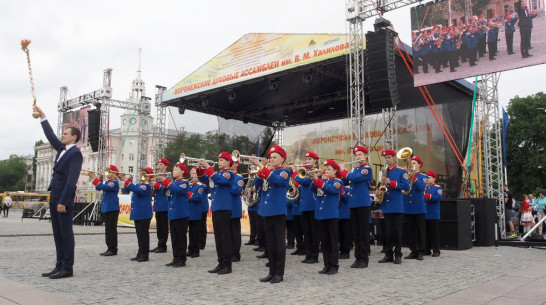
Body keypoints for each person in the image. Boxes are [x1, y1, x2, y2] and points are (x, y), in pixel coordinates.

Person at [35, 105, 82, 279]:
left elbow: (72, 179)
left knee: (66, 233)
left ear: (74, 137)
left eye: (66, 133)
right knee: (57, 233)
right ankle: (59, 264)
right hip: (54, 196)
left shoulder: (75, 153)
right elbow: (50, 136)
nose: (62, 135)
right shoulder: (62, 150)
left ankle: (67, 267)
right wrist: (43, 116)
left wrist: (63, 201)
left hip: (63, 199)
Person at [251, 145, 290, 284]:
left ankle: (279, 273)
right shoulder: (268, 171)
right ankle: (271, 271)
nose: (271, 159)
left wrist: (262, 167)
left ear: (282, 159)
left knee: (279, 244)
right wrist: (260, 170)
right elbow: (256, 184)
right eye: (271, 157)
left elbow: (278, 181)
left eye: (275, 157)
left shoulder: (284, 172)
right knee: (270, 244)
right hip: (266, 210)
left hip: (278, 210)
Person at [199, 152, 235, 275]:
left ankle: (227, 264)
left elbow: (219, 180)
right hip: (216, 207)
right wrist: (200, 170)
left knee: (225, 237)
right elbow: (205, 179)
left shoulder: (228, 173)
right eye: (219, 160)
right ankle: (221, 262)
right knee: (218, 238)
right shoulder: (217, 174)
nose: (219, 162)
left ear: (228, 162)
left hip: (224, 208)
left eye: (222, 160)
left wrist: (208, 167)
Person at [339, 146, 372, 269]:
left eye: (360, 154)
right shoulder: (355, 169)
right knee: (356, 233)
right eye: (356, 155)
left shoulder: (366, 169)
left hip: (363, 204)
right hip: (353, 204)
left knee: (363, 233)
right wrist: (335, 172)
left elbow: (355, 178)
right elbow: (346, 181)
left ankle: (364, 259)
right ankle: (357, 258)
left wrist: (344, 171)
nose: (358, 157)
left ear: (366, 156)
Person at [377, 149, 410, 265]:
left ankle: (398, 254)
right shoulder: (383, 171)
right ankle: (388, 254)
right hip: (386, 205)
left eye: (389, 157)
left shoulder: (401, 172)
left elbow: (406, 186)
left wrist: (390, 183)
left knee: (397, 232)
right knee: (388, 232)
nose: (387, 159)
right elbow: (379, 185)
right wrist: (377, 191)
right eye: (386, 158)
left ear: (394, 158)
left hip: (396, 205)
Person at [312, 159, 342, 275]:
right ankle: (326, 264)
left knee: (332, 241)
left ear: (335, 171)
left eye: (329, 169)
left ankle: (334, 265)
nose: (326, 171)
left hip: (331, 215)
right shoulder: (323, 181)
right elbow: (312, 189)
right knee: (324, 242)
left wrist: (318, 181)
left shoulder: (337, 182)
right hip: (321, 214)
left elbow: (331, 189)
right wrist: (314, 179)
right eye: (326, 169)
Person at [157, 162, 190, 268]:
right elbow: (163, 192)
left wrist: (167, 181)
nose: (174, 170)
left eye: (176, 169)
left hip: (181, 213)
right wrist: (164, 182)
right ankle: (175, 258)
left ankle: (181, 259)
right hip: (173, 213)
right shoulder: (173, 182)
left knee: (181, 238)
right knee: (174, 238)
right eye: (174, 169)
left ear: (182, 172)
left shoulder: (184, 182)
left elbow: (178, 190)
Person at [120, 168, 153, 262]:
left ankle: (144, 254)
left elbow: (138, 191)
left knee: (143, 235)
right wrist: (127, 180)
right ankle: (140, 252)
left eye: (143, 174)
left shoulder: (146, 185)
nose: (140, 175)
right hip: (138, 213)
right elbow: (125, 190)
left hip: (143, 213)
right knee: (139, 235)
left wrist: (127, 181)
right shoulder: (139, 185)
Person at [294, 151, 321, 264]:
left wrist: (297, 172)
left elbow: (304, 181)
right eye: (307, 159)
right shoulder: (305, 171)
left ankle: (314, 256)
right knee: (307, 232)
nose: (308, 161)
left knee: (314, 232)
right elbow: (298, 180)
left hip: (313, 205)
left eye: (310, 159)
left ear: (315, 160)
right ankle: (308, 254)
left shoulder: (317, 171)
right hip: (304, 205)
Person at [89, 165, 120, 256]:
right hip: (107, 208)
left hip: (112, 208)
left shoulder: (114, 182)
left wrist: (95, 178)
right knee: (108, 229)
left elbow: (104, 188)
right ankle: (109, 247)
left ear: (114, 174)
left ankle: (113, 249)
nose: (107, 173)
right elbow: (98, 188)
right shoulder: (108, 182)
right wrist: (100, 180)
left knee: (111, 229)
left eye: (109, 172)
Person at [403, 156, 427, 261]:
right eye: (411, 162)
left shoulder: (423, 176)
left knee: (420, 230)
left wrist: (413, 176)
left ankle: (421, 251)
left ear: (419, 165)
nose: (412, 164)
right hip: (408, 206)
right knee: (410, 231)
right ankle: (413, 250)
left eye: (414, 163)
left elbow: (421, 187)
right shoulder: (406, 175)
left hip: (418, 207)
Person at [150, 158, 171, 254]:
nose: (159, 166)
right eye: (159, 164)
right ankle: (160, 244)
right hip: (158, 204)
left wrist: (155, 184)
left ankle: (163, 245)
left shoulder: (168, 176)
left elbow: (165, 189)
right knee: (159, 227)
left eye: (161, 164)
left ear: (166, 166)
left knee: (163, 226)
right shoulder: (157, 176)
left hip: (164, 204)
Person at [187, 167, 206, 258]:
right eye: (191, 173)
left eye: (194, 173)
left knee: (195, 232)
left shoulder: (199, 186)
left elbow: (197, 198)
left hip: (196, 211)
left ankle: (195, 250)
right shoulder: (191, 185)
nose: (192, 175)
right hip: (190, 211)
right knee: (191, 232)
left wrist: (188, 193)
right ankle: (190, 248)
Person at [424, 171, 443, 257]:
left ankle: (436, 250)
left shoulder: (437, 188)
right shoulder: (425, 187)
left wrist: (426, 195)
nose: (427, 179)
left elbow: (437, 198)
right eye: (427, 177)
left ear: (434, 179)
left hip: (433, 213)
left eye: (429, 177)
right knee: (426, 233)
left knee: (434, 233)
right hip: (425, 212)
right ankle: (427, 250)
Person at [230, 161, 244, 262]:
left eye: (232, 163)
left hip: (234, 207)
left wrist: (226, 182)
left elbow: (236, 191)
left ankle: (235, 253)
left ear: (236, 165)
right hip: (224, 207)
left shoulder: (239, 177)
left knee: (235, 232)